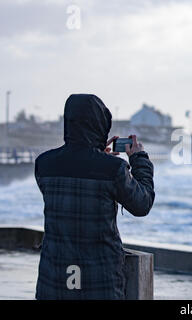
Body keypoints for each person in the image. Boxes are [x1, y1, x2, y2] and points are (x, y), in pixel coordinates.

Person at [34, 94, 155, 300]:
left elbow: (73, 186)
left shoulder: (44, 163)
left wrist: (98, 156)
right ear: (100, 124)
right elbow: (142, 204)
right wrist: (138, 158)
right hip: (99, 283)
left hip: (54, 282)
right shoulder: (112, 169)